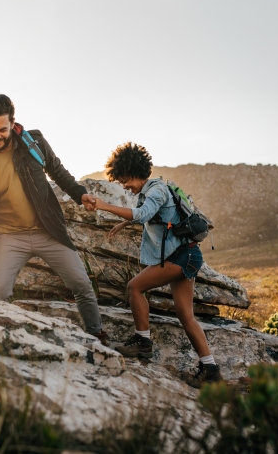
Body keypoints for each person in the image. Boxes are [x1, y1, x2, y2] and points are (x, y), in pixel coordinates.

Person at [0, 94, 107, 344]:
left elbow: (58, 171)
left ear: (13, 122)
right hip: (7, 236)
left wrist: (81, 195)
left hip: (47, 231)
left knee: (82, 284)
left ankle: (97, 335)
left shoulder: (34, 143)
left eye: (2, 129)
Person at [90, 142, 222, 386]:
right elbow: (146, 213)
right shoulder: (152, 190)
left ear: (135, 171)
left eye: (125, 180)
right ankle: (211, 369)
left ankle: (143, 342)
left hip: (181, 257)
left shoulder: (157, 190)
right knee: (186, 316)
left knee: (134, 287)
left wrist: (104, 205)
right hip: (188, 255)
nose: (125, 186)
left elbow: (142, 214)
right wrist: (122, 224)